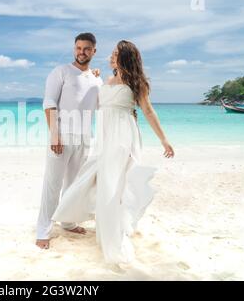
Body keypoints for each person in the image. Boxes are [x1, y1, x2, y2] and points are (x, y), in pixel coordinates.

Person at [52, 40, 175, 264]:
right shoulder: (106, 80)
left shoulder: (138, 84)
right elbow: (98, 103)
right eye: (112, 53)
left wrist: (164, 140)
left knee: (114, 185)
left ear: (126, 57)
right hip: (105, 139)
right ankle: (94, 223)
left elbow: (148, 111)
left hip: (124, 138)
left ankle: (113, 235)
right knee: (100, 180)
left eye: (115, 54)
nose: (111, 56)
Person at [35, 33, 103, 249]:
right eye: (78, 48)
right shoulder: (60, 72)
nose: (81, 52)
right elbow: (49, 103)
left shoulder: (97, 79)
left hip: (84, 138)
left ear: (94, 51)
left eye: (86, 48)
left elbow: (100, 106)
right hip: (61, 137)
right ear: (74, 48)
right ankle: (43, 230)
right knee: (52, 185)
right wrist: (54, 134)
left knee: (73, 185)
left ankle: (68, 221)